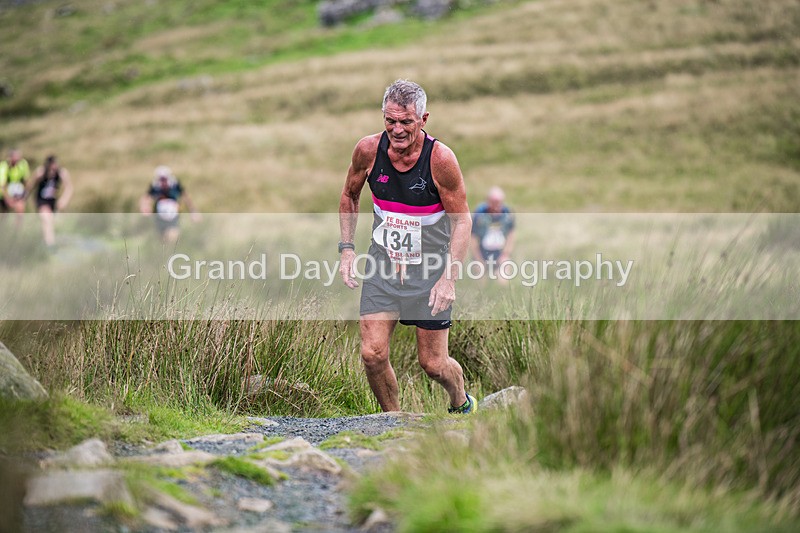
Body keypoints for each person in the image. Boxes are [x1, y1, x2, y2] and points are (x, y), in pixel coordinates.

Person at [338, 79, 476, 414]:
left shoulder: (440, 160)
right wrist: (347, 249)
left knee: (433, 364)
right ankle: (393, 421)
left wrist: (449, 280)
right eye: (390, 120)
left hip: (429, 273)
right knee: (372, 354)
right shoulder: (368, 151)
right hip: (383, 268)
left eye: (406, 122)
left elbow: (462, 221)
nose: (397, 130)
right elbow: (349, 195)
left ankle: (460, 401)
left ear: (423, 119)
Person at [139, 165, 200, 244]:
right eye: (161, 178)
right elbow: (146, 198)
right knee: (161, 242)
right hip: (160, 220)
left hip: (173, 219)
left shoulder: (175, 186)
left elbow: (186, 198)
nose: (163, 181)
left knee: (172, 238)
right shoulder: (155, 187)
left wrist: (193, 212)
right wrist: (145, 208)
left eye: (164, 178)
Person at [27, 154, 73, 248]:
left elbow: (69, 187)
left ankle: (47, 241)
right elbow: (31, 186)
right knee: (47, 219)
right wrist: (23, 198)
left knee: (53, 222)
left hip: (53, 201)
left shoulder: (61, 173)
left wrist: (64, 199)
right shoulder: (40, 172)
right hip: (41, 200)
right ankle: (50, 245)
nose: (53, 168)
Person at [471, 186, 515, 274]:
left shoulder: (507, 214)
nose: (496, 206)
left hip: (500, 253)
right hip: (482, 253)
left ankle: (502, 287)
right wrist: (478, 258)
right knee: (478, 271)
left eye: (498, 203)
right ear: (488, 201)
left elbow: (511, 236)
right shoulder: (479, 214)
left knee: (505, 268)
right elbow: (473, 238)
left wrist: (505, 254)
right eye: (493, 203)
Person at [0, 149, 31, 225]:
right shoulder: (4, 166)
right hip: (3, 194)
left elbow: (26, 181)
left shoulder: (23, 164)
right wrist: (8, 199)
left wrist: (25, 194)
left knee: (20, 210)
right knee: (4, 214)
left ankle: (17, 233)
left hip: (17, 192)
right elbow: (2, 185)